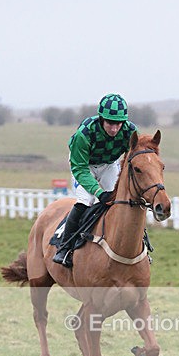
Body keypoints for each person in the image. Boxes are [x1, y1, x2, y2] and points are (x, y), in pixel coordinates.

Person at [53, 93, 138, 267]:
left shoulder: (130, 131)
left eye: (118, 124)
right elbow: (80, 169)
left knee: (119, 200)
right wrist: (99, 192)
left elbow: (133, 158)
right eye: (110, 123)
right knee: (86, 200)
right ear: (101, 119)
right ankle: (65, 247)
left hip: (109, 164)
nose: (114, 129)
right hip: (84, 166)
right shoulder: (84, 134)